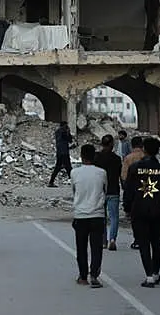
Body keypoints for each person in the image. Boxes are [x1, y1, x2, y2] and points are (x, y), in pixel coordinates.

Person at [123, 137, 160, 288]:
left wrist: (127, 208)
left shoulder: (134, 168)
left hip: (139, 211)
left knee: (143, 243)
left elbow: (128, 191)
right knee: (156, 243)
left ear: (144, 149)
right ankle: (155, 273)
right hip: (158, 212)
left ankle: (148, 276)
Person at [71, 144, 107, 289]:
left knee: (81, 248)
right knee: (96, 247)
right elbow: (105, 190)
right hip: (97, 214)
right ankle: (94, 275)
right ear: (94, 156)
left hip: (80, 214)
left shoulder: (74, 172)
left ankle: (83, 275)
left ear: (81, 156)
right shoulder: (102, 172)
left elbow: (74, 191)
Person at [94, 135, 122, 251]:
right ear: (111, 145)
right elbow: (119, 174)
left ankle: (103, 241)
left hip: (100, 190)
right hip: (113, 190)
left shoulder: (97, 157)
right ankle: (112, 239)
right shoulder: (117, 159)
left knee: (102, 216)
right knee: (114, 217)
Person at [121, 136, 145, 250]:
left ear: (131, 145)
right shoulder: (146, 157)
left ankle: (137, 239)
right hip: (147, 190)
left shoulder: (128, 158)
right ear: (142, 145)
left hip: (134, 192)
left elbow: (124, 177)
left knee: (135, 218)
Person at [48, 122, 73, 187]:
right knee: (68, 167)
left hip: (59, 152)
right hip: (64, 152)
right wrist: (68, 132)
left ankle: (51, 182)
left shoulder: (57, 132)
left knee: (58, 167)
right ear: (64, 126)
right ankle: (74, 182)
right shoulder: (64, 132)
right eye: (66, 126)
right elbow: (70, 140)